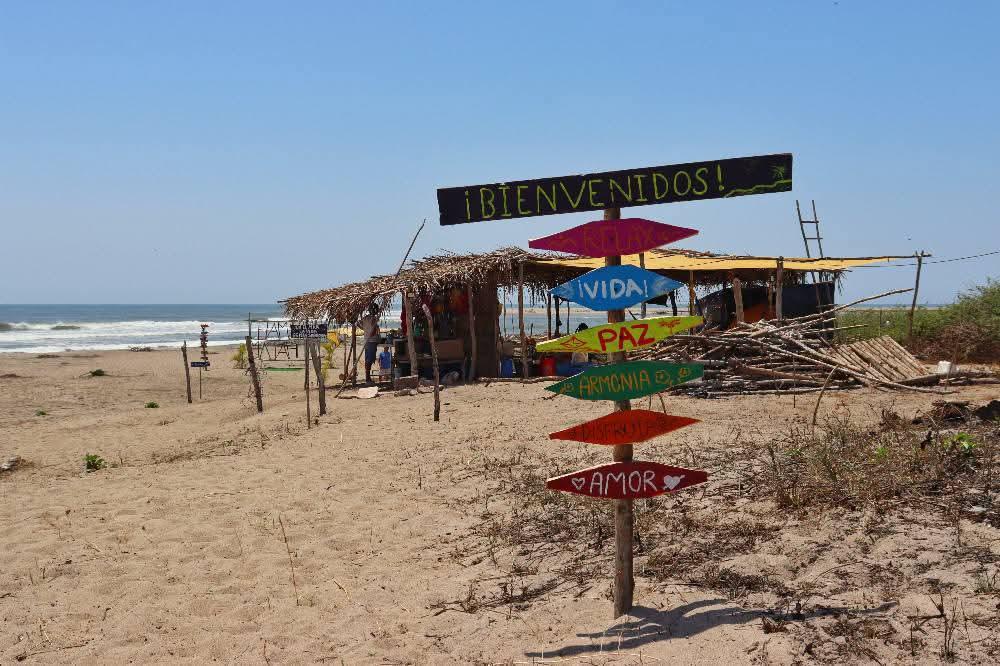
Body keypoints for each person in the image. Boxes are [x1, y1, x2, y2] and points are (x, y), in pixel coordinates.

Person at [359, 309, 380, 384]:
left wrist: (366, 331)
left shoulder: (365, 318)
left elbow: (359, 325)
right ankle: (368, 379)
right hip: (372, 341)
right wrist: (372, 333)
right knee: (370, 360)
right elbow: (373, 331)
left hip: (366, 341)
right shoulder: (373, 319)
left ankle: (367, 378)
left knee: (368, 359)